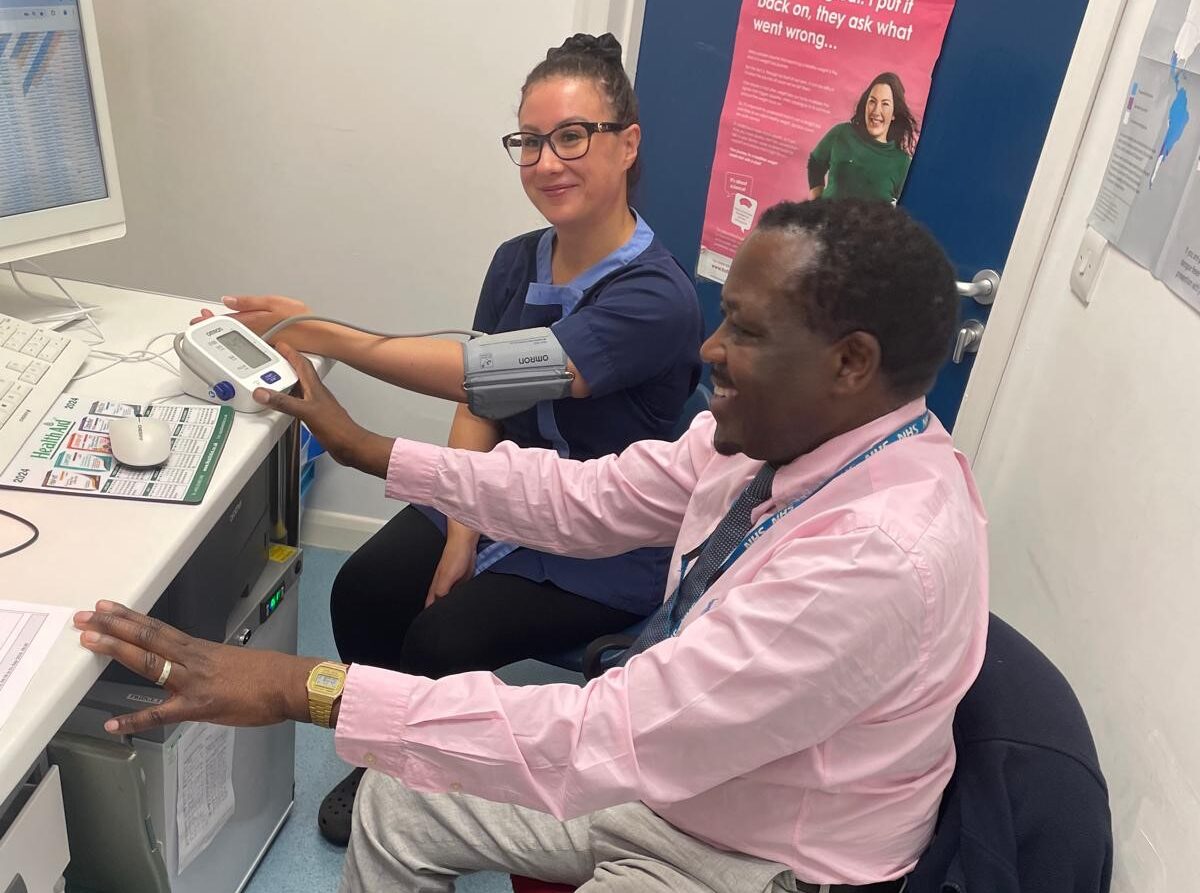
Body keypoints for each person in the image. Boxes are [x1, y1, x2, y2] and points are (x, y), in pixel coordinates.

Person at [77, 199, 988, 893]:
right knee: (401, 791)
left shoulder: (876, 554)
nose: (710, 347)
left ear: (851, 363)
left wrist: (293, 685)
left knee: (459, 716)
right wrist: (372, 449)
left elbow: (602, 734)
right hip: (684, 772)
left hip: (759, 855)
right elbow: (588, 496)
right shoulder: (773, 436)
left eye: (745, 330)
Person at [196, 32, 702, 843]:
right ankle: (392, 742)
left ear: (627, 142)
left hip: (604, 535)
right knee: (360, 589)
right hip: (500, 493)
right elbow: (483, 409)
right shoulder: (516, 261)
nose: (547, 161)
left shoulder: (658, 299)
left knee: (444, 634)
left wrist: (320, 330)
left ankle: (418, 785)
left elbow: (485, 372)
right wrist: (461, 526)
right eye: (530, 142)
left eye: (572, 136)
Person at [808, 72, 919, 203]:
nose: (876, 111)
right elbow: (815, 163)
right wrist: (816, 205)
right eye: (872, 101)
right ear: (865, 105)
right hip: (826, 222)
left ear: (894, 113)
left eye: (885, 104)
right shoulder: (842, 133)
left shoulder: (902, 163)